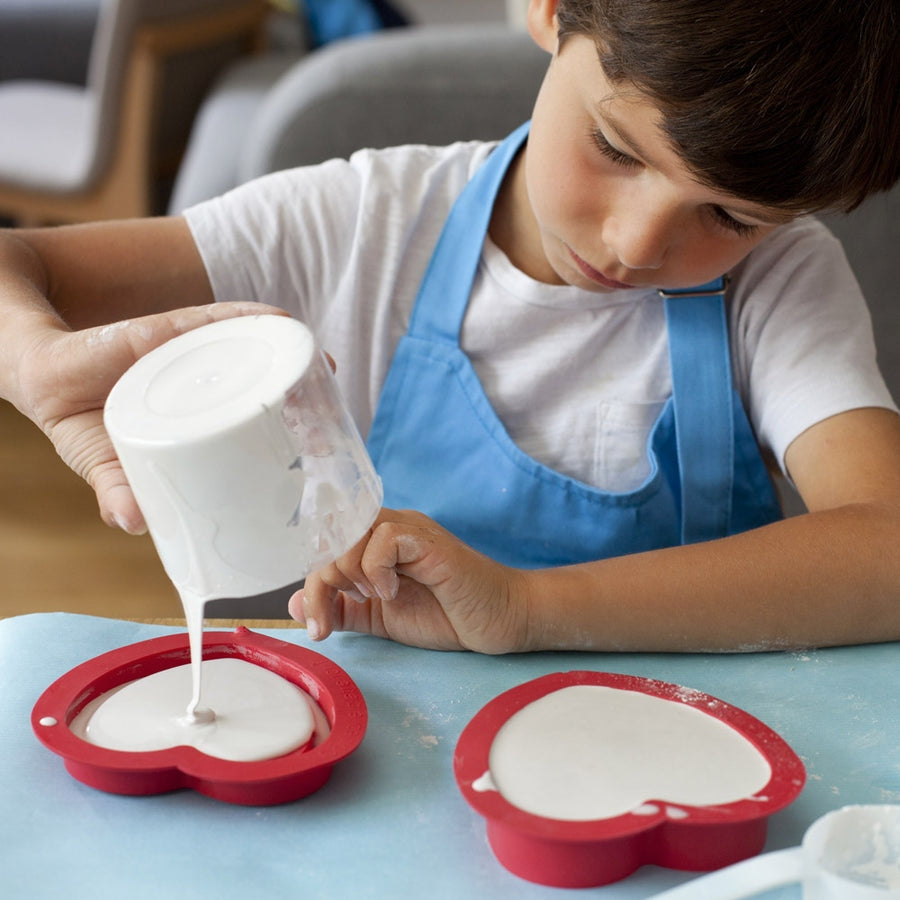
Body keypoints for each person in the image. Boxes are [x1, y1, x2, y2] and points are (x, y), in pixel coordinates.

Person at [1, 0, 898, 654]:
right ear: (549, 14)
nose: (636, 244)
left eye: (729, 219)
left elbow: (886, 548)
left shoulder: (778, 281)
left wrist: (526, 609)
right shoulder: (360, 223)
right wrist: (36, 362)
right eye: (617, 151)